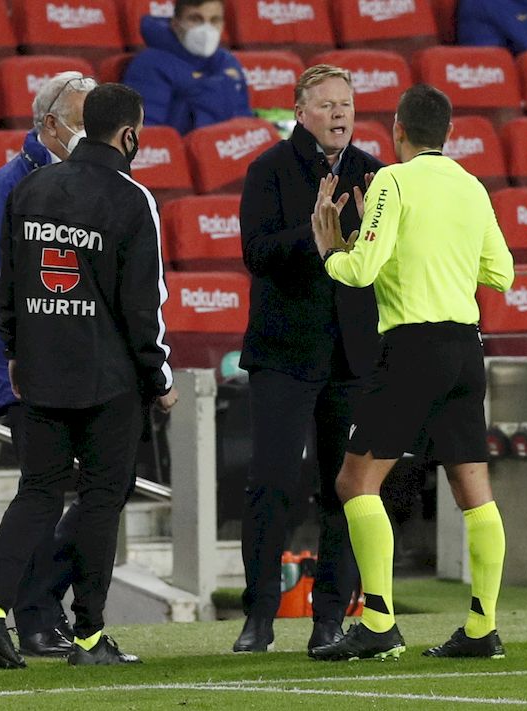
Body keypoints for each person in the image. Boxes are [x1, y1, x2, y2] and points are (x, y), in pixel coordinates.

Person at [0, 83, 177, 669]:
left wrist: (13, 348)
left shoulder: (28, 188)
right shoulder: (132, 200)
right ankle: (87, 637)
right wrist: (160, 378)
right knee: (102, 501)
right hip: (106, 380)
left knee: (37, 492)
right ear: (129, 135)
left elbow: (5, 285)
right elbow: (144, 307)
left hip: (37, 371)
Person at [307, 84, 515, 661]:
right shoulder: (471, 186)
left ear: (398, 130)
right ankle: (483, 630)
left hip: (411, 348)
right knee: (474, 490)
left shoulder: (391, 182)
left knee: (354, 482)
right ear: (446, 134)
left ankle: (377, 624)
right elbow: (501, 273)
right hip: (466, 348)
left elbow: (362, 268)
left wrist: (330, 248)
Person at [235, 64, 383, 653]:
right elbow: (256, 253)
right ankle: (259, 617)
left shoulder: (375, 174)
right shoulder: (267, 170)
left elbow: (384, 263)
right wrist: (313, 236)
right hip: (283, 356)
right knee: (270, 484)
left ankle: (329, 619)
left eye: (346, 104)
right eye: (325, 105)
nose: (339, 114)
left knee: (344, 489)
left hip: (352, 356)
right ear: (299, 112)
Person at [0, 70, 96, 660]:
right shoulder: (6, 186)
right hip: (28, 374)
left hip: (82, 370)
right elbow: (2, 286)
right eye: (81, 121)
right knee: (47, 491)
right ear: (49, 123)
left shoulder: (89, 184)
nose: (90, 134)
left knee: (94, 492)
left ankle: (39, 606)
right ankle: (35, 614)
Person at [122, 0, 252, 134]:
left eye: (214, 20)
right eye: (195, 19)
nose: (206, 29)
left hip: (226, 148)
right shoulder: (149, 64)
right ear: (175, 24)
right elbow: (147, 135)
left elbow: (244, 121)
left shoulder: (226, 61)